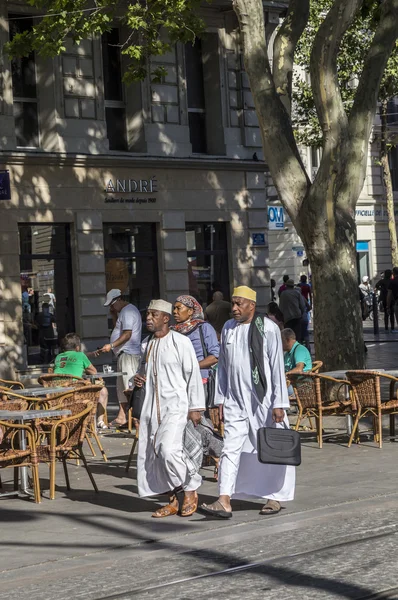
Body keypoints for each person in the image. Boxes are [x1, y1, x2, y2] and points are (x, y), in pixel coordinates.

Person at [200, 286, 295, 519]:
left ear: (252, 305)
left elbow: (276, 367)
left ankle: (275, 496)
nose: (234, 308)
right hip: (235, 400)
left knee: (271, 447)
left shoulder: (269, 329)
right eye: (233, 303)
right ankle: (224, 499)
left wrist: (279, 403)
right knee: (230, 449)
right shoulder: (229, 329)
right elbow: (223, 367)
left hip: (264, 401)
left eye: (239, 304)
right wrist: (220, 399)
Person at [133, 299, 205, 518]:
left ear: (166, 318)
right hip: (151, 408)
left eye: (153, 315)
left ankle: (191, 488)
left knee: (168, 450)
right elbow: (143, 371)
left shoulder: (181, 342)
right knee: (154, 454)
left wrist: (195, 407)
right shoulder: (147, 344)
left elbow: (193, 374)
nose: (148, 318)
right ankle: (173, 499)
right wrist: (137, 379)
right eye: (147, 315)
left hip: (176, 406)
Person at [172, 294, 221, 474]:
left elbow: (215, 355)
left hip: (200, 381)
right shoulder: (173, 330)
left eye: (179, 308)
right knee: (183, 422)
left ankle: (219, 455)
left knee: (198, 420)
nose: (175, 312)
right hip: (177, 384)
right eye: (174, 308)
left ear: (191, 311)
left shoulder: (203, 328)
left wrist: (192, 367)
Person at [98, 289, 142, 427]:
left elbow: (127, 334)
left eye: (112, 305)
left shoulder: (128, 311)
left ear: (118, 300)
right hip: (123, 354)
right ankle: (122, 416)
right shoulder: (123, 312)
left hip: (128, 354)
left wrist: (111, 345)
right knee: (121, 388)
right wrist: (113, 315)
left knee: (129, 387)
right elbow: (119, 328)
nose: (111, 308)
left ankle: (134, 418)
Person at [52, 333, 109, 429]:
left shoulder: (58, 357)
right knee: (103, 391)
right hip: (74, 394)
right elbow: (94, 372)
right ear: (77, 347)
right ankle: (99, 421)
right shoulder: (80, 355)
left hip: (57, 395)